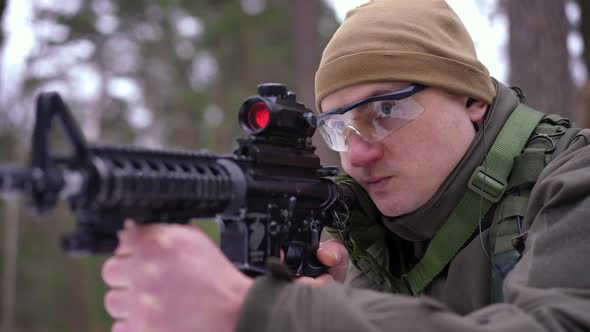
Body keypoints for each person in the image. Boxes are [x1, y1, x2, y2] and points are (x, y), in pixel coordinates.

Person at [101, 0, 590, 331]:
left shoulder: (575, 181)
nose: (357, 155)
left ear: (472, 99)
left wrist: (270, 310)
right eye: (338, 128)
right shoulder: (362, 233)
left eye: (386, 111)